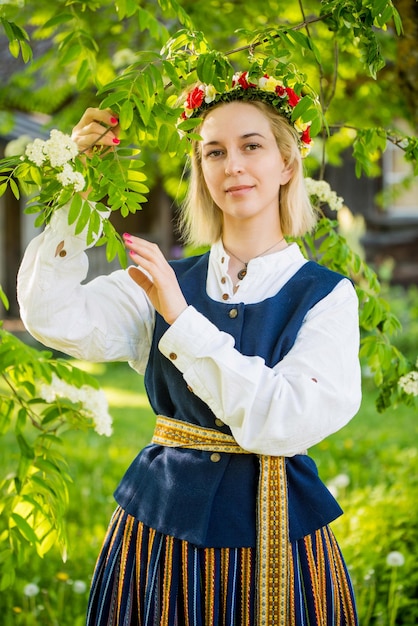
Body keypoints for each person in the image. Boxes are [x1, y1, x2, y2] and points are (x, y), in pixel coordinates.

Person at [17, 69, 362, 626]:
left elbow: (284, 418)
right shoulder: (161, 277)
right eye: (214, 152)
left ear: (287, 163)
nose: (233, 166)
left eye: (252, 146)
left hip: (274, 540)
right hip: (157, 539)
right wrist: (80, 190)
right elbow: (51, 316)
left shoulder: (325, 296)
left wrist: (179, 316)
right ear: (201, 169)